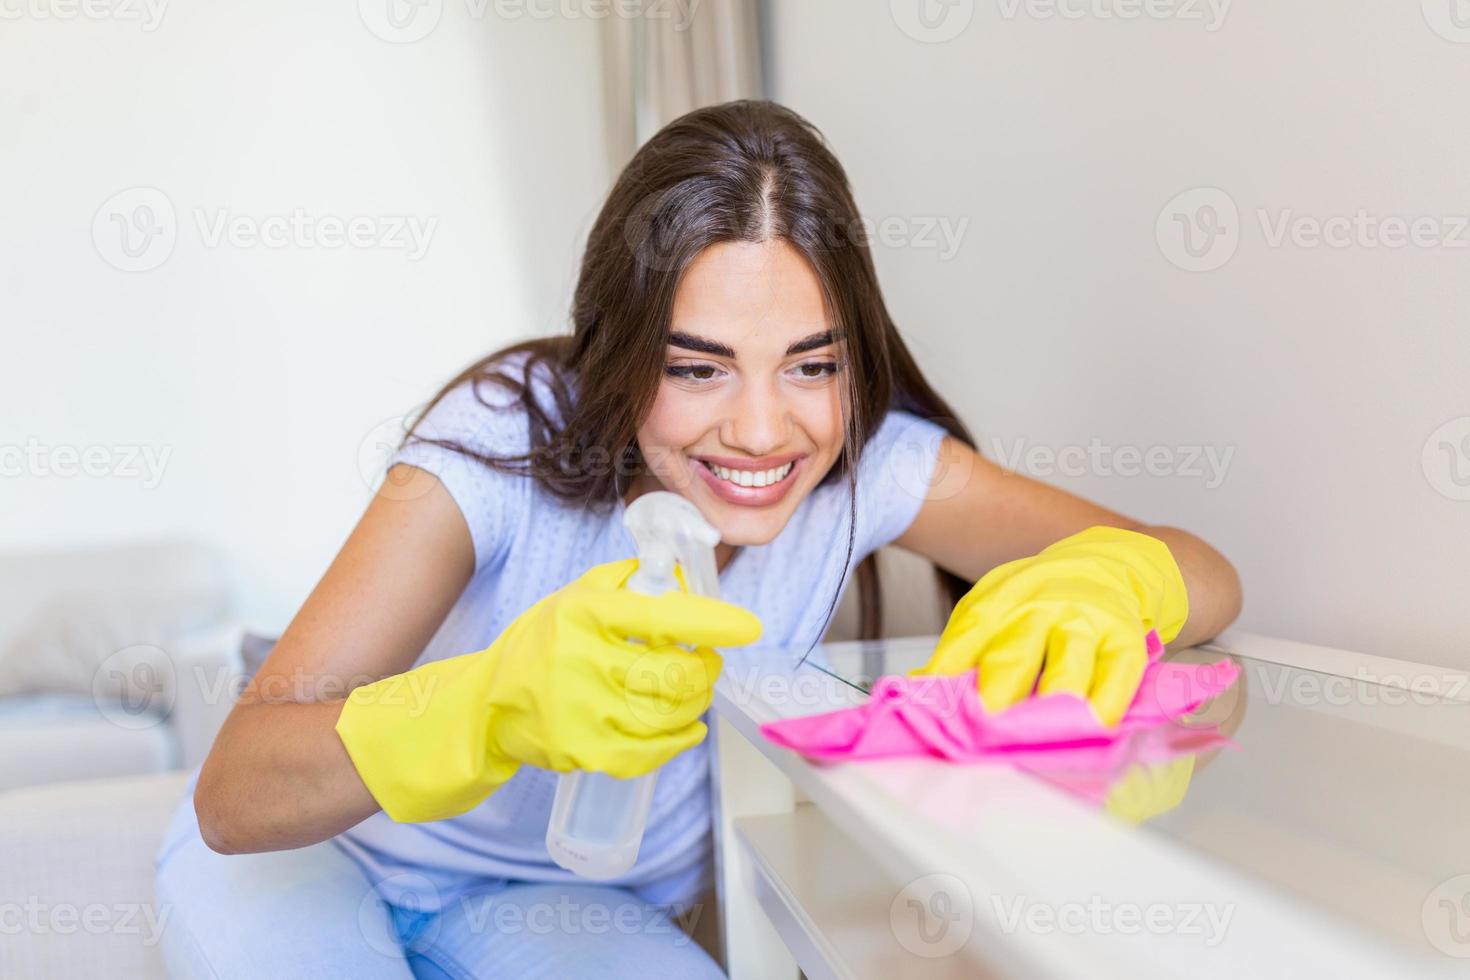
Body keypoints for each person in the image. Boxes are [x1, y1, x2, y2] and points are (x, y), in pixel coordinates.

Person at [155, 99, 1242, 978]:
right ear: (620, 351)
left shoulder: (870, 466)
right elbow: (238, 791)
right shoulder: (498, 435)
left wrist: (1113, 574)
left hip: (563, 904)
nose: (765, 431)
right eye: (695, 366)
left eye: (812, 364)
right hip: (323, 856)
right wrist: (488, 704)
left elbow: (1207, 574)